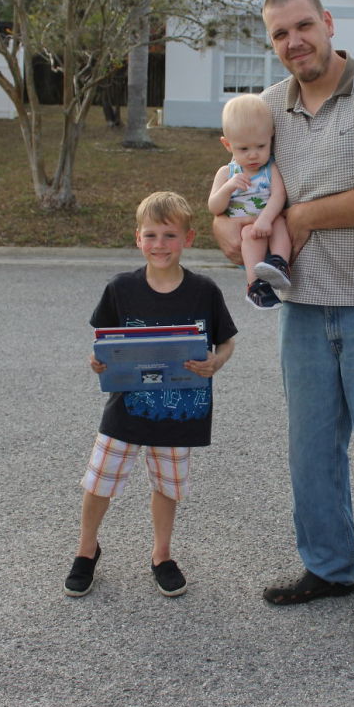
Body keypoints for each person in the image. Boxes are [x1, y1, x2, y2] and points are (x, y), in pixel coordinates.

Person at [213, 0, 354, 650]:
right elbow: (233, 202)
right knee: (311, 453)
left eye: (303, 26)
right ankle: (330, 570)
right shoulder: (267, 107)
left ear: (328, 24)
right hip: (300, 309)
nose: (293, 42)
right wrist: (229, 230)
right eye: (280, 34)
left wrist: (298, 217)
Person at [65, 190, 236, 598]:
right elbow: (102, 341)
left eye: (170, 236)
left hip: (179, 411)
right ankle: (87, 549)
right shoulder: (121, 289)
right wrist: (97, 362)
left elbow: (227, 341)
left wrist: (217, 361)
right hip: (125, 407)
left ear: (189, 238)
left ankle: (161, 554)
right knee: (100, 480)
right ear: (138, 238)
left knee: (167, 485)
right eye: (152, 235)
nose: (160, 245)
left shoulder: (204, 291)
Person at [208, 92, 292, 311]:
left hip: (270, 218)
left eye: (261, 146)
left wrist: (265, 219)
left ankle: (279, 264)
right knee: (249, 234)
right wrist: (229, 187)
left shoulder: (270, 168)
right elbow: (214, 207)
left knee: (279, 223)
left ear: (271, 138)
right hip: (246, 228)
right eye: (244, 149)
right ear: (227, 144)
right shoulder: (227, 172)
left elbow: (279, 196)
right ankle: (255, 284)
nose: (253, 155)